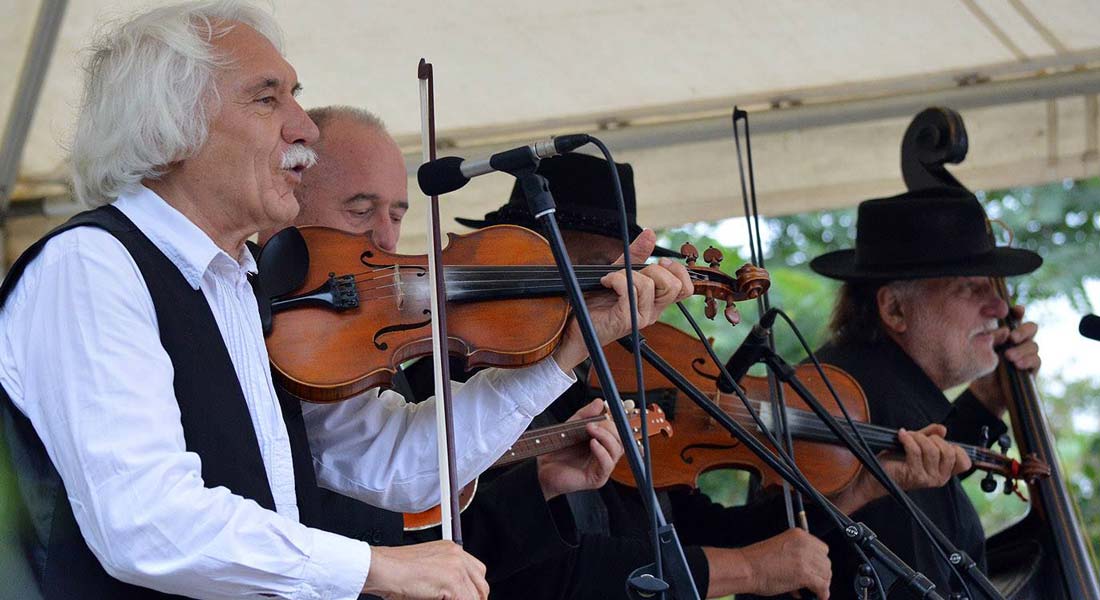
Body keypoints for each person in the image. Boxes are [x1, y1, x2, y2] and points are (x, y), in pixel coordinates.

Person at [0, 3, 690, 599]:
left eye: (296, 96)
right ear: (170, 125)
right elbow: (144, 521)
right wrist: (379, 569)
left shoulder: (237, 285)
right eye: (268, 98)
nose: (303, 125)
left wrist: (567, 348)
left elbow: (387, 463)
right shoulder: (93, 267)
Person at [446, 154, 976, 599]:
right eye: (588, 271)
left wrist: (857, 488)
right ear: (516, 259)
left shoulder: (619, 379)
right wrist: (746, 569)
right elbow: (547, 572)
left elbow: (705, 532)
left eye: (617, 272)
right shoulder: (453, 379)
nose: (612, 293)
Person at [260, 104, 627, 585]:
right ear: (288, 197)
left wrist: (570, 348)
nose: (386, 240)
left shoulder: (355, 345)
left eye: (396, 213)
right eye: (360, 210)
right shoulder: (238, 314)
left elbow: (397, 459)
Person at [800, 185, 1043, 599]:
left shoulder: (867, 385)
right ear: (895, 309)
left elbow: (929, 457)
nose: (999, 308)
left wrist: (987, 400)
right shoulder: (859, 403)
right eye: (969, 287)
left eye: (993, 288)